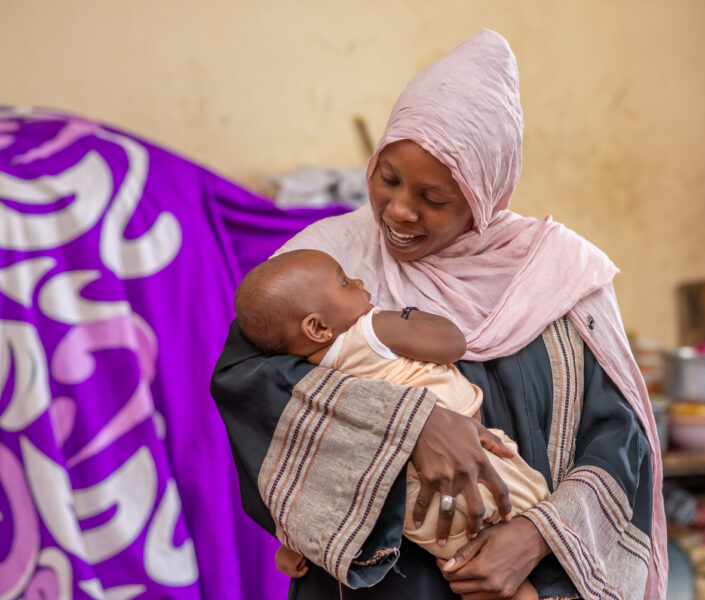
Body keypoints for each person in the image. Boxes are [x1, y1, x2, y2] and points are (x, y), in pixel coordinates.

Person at [212, 28, 667, 600]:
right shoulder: (323, 263)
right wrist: (413, 424)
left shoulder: (558, 278)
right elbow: (251, 390)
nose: (399, 211)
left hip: (521, 577)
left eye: (434, 199)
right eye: (387, 179)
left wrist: (534, 536)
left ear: (483, 196)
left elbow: (619, 440)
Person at [234, 248, 550, 599]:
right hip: (475, 463)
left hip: (410, 503)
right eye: (344, 282)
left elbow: (313, 476)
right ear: (319, 327)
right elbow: (453, 343)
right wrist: (406, 316)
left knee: (476, 572)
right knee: (517, 533)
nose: (358, 280)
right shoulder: (373, 329)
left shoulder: (311, 388)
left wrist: (295, 543)